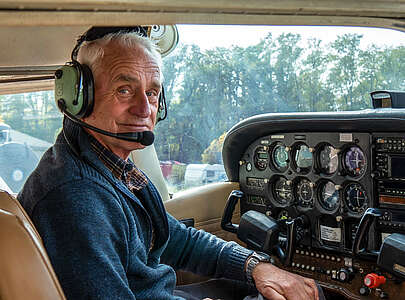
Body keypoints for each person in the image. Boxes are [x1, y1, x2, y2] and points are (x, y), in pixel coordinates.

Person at [18, 27, 323, 300]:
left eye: (151, 92)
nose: (144, 108)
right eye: (124, 90)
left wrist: (255, 266)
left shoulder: (109, 164)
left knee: (276, 285)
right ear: (79, 98)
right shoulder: (76, 197)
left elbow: (175, 238)